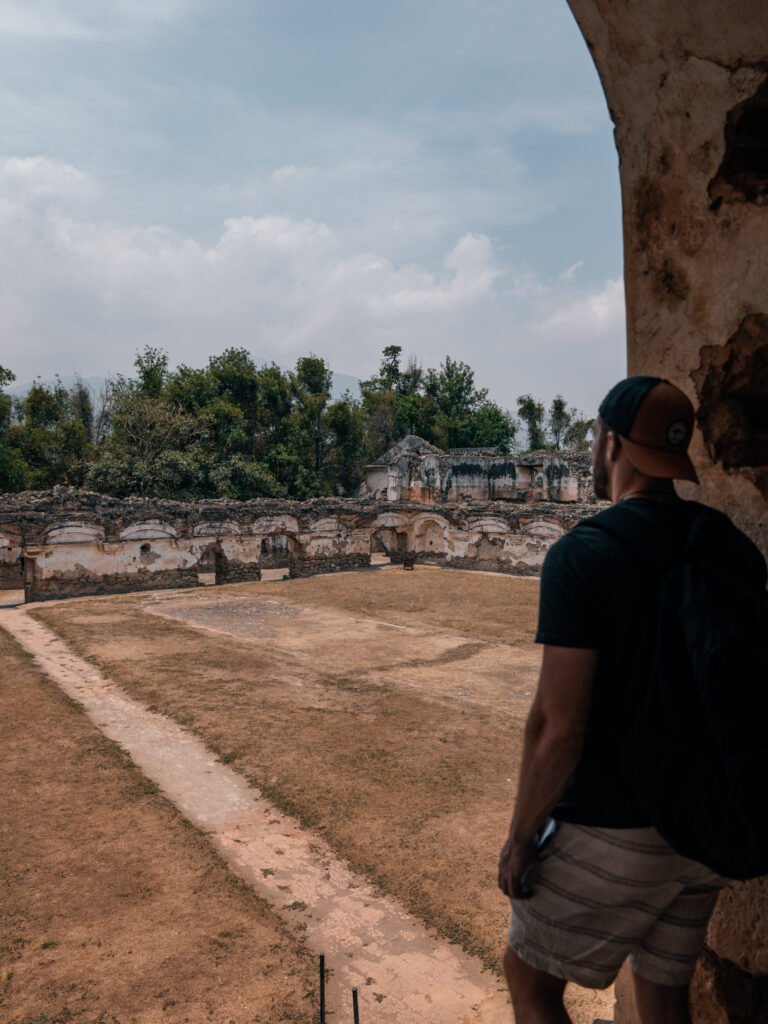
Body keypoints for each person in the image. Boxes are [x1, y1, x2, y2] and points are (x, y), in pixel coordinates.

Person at [497, 376, 764, 1024]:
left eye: (595, 438)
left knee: (529, 979)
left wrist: (521, 836)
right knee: (665, 987)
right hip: (704, 824)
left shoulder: (584, 555)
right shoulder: (730, 544)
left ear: (612, 444)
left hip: (619, 824)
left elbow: (559, 726)